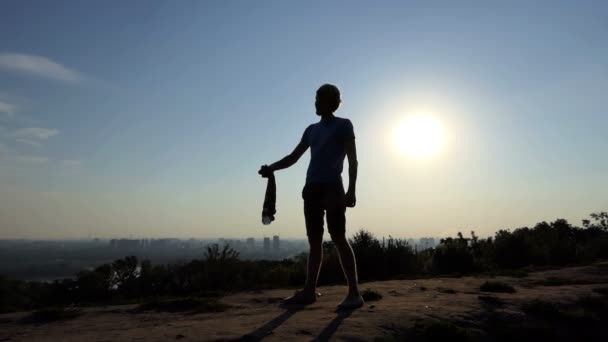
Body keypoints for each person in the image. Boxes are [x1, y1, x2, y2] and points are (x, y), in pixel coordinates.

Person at [258, 83, 364, 310]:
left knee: (338, 238)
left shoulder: (344, 125)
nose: (315, 103)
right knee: (314, 242)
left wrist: (352, 189)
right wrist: (272, 168)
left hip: (333, 189)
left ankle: (354, 293)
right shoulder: (311, 130)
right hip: (311, 189)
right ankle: (309, 292)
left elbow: (353, 160)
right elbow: (294, 156)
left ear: (330, 101)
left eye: (318, 99)